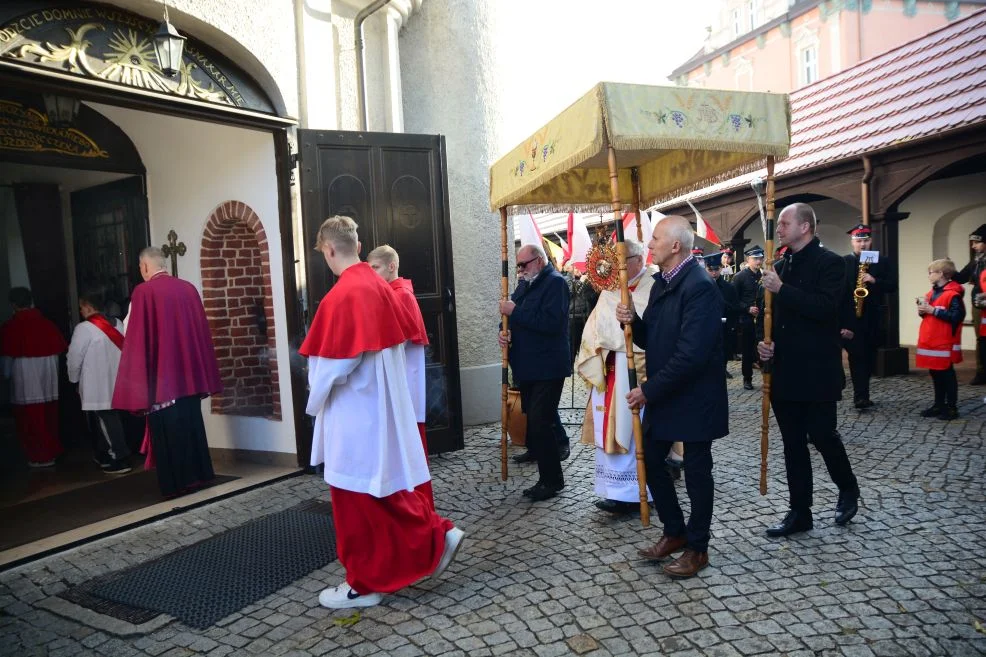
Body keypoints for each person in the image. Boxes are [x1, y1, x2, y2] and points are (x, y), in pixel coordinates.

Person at [302, 216, 463, 609]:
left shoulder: (342, 295)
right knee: (379, 494)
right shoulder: (378, 284)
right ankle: (432, 537)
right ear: (357, 245)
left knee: (354, 502)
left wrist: (313, 395)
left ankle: (363, 584)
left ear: (328, 250)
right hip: (379, 408)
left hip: (354, 415)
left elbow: (330, 368)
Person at [615, 216, 728, 578]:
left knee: (696, 473)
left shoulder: (699, 287)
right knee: (648, 459)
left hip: (694, 395)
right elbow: (656, 338)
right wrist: (632, 319)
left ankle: (698, 548)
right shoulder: (663, 284)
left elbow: (690, 355)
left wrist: (647, 391)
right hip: (668, 393)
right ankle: (675, 530)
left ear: (675, 246)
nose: (649, 246)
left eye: (656, 239)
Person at [757, 203, 860, 538]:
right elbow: (769, 315)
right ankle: (800, 512)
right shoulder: (781, 263)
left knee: (821, 434)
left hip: (817, 369)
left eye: (785, 223)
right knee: (792, 444)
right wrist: (764, 343)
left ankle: (847, 487)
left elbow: (824, 308)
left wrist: (781, 289)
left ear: (805, 227)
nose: (779, 228)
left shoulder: (830, 262)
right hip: (784, 370)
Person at [112, 247, 222, 498]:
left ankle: (176, 483)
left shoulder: (143, 292)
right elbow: (199, 332)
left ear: (145, 267)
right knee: (192, 424)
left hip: (163, 379)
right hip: (189, 377)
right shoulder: (188, 289)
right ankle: (200, 475)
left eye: (141, 268)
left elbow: (134, 333)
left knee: (169, 432)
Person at [576, 240, 657, 514]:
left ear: (638, 259)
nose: (616, 267)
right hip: (610, 367)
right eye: (614, 262)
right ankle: (614, 491)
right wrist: (599, 353)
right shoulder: (609, 292)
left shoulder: (652, 286)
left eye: (622, 261)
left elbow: (653, 332)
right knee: (608, 429)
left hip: (639, 370)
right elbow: (593, 330)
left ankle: (640, 492)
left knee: (636, 433)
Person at [498, 243, 570, 501]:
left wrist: (515, 312)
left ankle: (551, 480)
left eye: (523, 264)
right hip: (527, 364)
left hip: (548, 365)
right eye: (517, 265)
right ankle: (537, 452)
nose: (519, 269)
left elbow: (550, 324)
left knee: (541, 420)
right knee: (534, 418)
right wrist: (504, 332)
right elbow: (509, 317)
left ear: (539, 261)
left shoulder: (555, 284)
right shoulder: (525, 283)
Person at [366, 244, 433, 507]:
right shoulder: (394, 293)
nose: (372, 274)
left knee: (410, 451)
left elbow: (396, 344)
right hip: (401, 382)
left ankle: (417, 506)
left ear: (392, 266)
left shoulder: (400, 295)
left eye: (376, 268)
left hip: (403, 384)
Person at [67, 288, 131, 474]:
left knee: (106, 419)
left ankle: (119, 457)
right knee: (108, 418)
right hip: (118, 380)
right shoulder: (117, 323)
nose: (80, 311)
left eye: (81, 307)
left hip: (97, 383)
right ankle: (104, 453)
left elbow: (74, 358)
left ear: (88, 306)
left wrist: (74, 380)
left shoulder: (84, 328)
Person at [0, 287, 66, 467]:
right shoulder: (47, 325)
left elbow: (6, 360)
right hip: (48, 381)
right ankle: (50, 452)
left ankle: (37, 455)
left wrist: (6, 377)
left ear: (13, 305)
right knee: (49, 417)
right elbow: (57, 353)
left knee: (28, 420)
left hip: (24, 382)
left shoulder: (10, 327)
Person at [839, 224, 896, 409]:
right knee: (856, 356)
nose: (862, 244)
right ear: (852, 242)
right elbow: (838, 293)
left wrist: (874, 280)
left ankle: (864, 392)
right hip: (851, 318)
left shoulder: (881, 261)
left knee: (869, 357)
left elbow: (892, 285)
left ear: (871, 241)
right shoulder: (844, 262)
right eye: (858, 241)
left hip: (873, 317)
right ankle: (859, 396)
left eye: (865, 240)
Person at [916, 259, 965, 420]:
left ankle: (951, 407)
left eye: (931, 272)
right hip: (931, 340)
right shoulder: (931, 293)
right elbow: (929, 314)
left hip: (943, 342)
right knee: (935, 373)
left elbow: (957, 317)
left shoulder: (953, 295)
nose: (929, 275)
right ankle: (938, 405)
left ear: (941, 274)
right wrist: (922, 311)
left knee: (946, 374)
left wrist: (932, 310)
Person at [952, 223, 986, 385]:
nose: (973, 246)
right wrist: (949, 270)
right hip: (979, 306)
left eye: (976, 242)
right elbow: (961, 277)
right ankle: (982, 372)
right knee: (982, 338)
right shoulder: (976, 260)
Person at [705, 252, 742, 379]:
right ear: (706, 269)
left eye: (716, 269)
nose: (713, 272)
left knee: (725, 348)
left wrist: (722, 302)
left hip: (724, 323)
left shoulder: (728, 287)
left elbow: (736, 307)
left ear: (720, 268)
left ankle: (723, 367)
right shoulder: (701, 286)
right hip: (706, 324)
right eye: (710, 269)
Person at [733, 246, 764, 390]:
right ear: (748, 260)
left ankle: (767, 376)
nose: (759, 261)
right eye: (755, 259)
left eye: (760, 258)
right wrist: (747, 308)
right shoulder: (740, 277)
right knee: (747, 350)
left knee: (764, 349)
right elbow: (734, 300)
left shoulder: (764, 275)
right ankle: (747, 378)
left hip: (763, 318)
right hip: (746, 319)